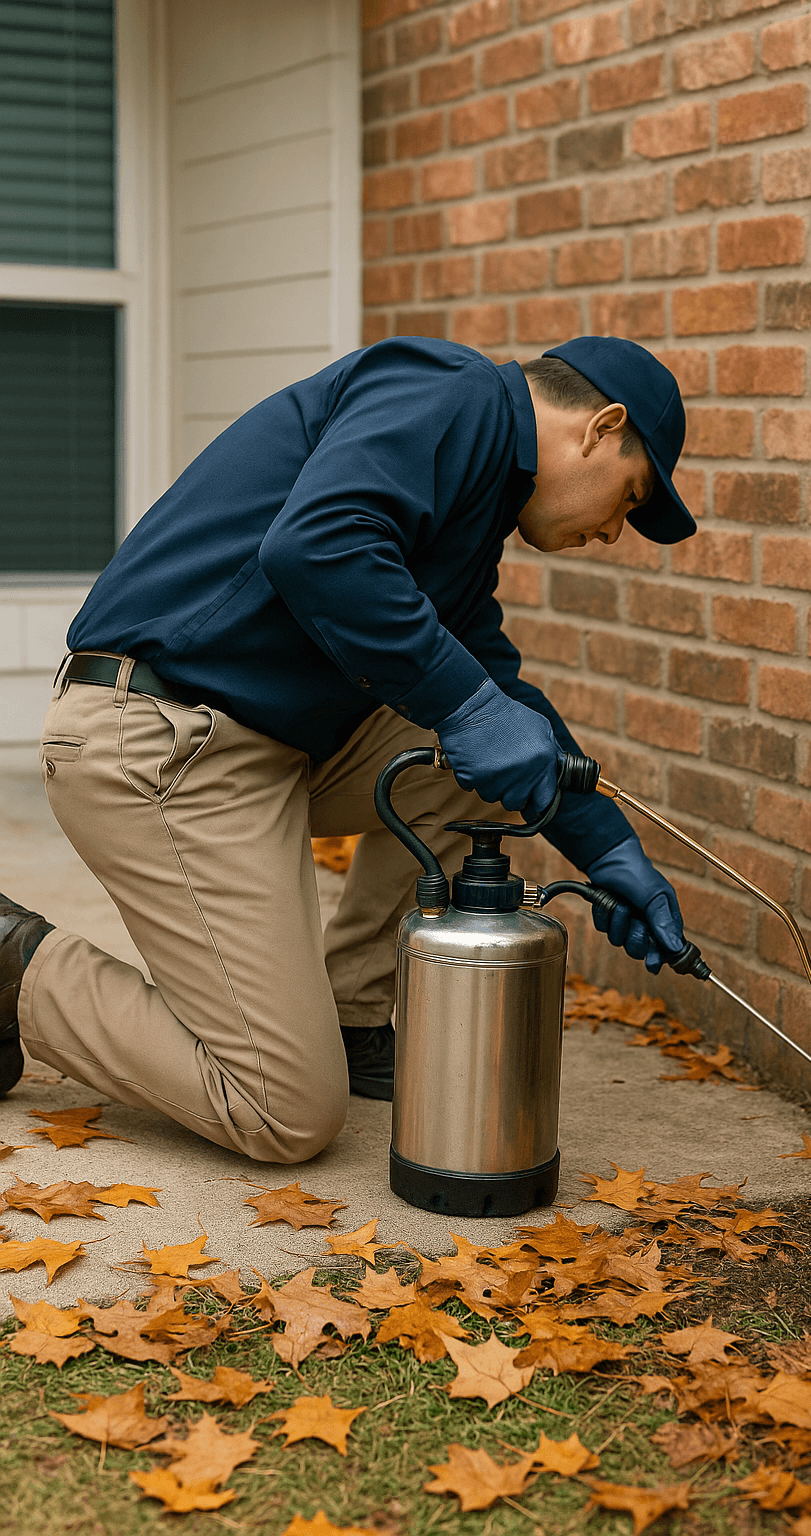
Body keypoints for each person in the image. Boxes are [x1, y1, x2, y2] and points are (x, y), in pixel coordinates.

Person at [0, 334, 698, 1164]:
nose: (615, 532)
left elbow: (495, 698)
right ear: (600, 426)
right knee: (284, 1110)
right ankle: (14, 974)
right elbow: (317, 545)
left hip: (260, 748)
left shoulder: (475, 514)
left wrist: (609, 845)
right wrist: (472, 704)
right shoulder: (454, 392)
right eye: (629, 496)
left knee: (482, 763)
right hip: (156, 736)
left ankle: (351, 1011)